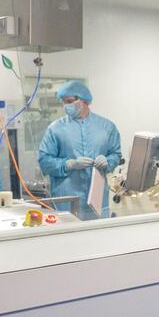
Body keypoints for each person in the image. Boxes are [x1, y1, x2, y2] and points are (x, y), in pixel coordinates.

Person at [38, 81, 122, 219]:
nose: (66, 106)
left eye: (70, 101)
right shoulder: (55, 129)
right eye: (64, 102)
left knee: (99, 238)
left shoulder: (107, 127)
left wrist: (108, 161)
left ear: (84, 101)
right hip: (65, 203)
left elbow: (116, 154)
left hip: (97, 204)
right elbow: (44, 161)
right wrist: (69, 164)